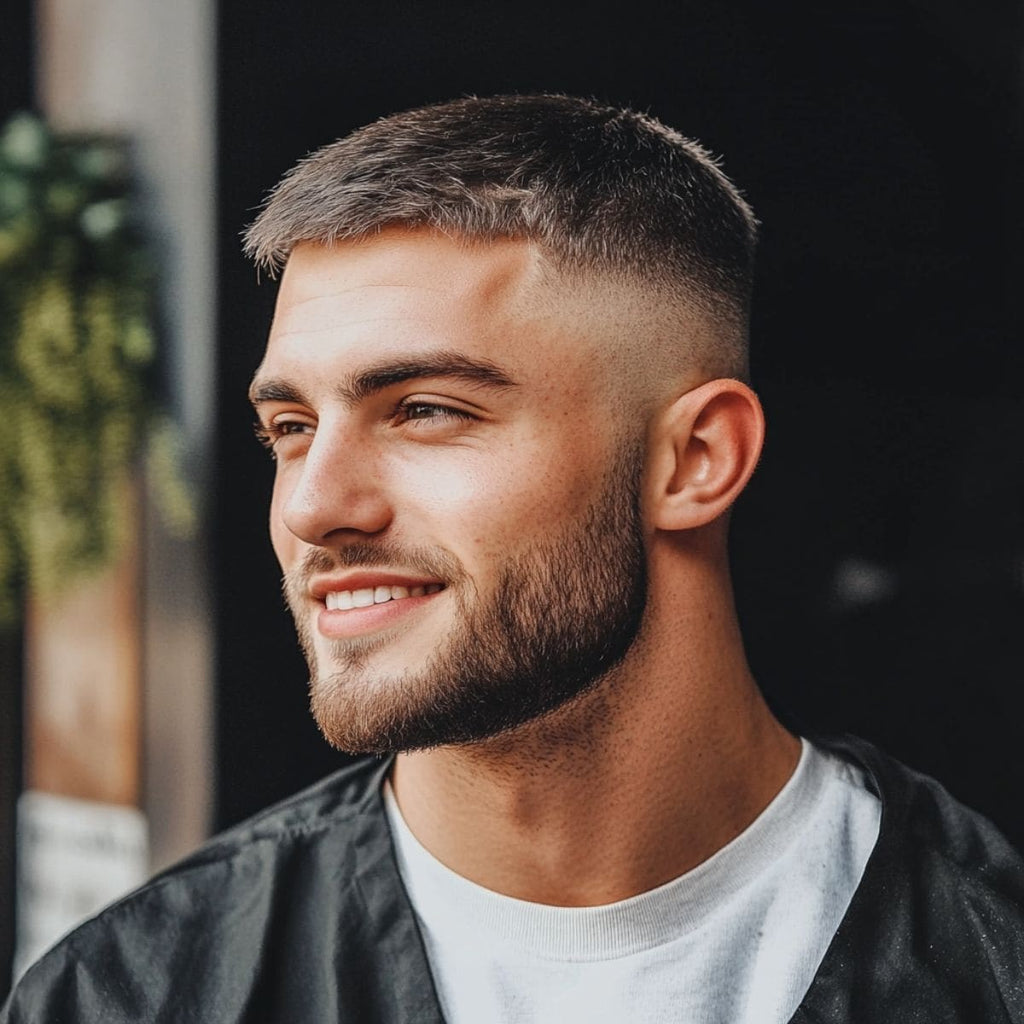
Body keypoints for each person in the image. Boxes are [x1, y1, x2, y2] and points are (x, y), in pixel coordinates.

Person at [4, 94, 1023, 1024]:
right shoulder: (126, 997)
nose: (314, 505)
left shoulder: (991, 962)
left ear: (695, 459)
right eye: (291, 426)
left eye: (427, 411)